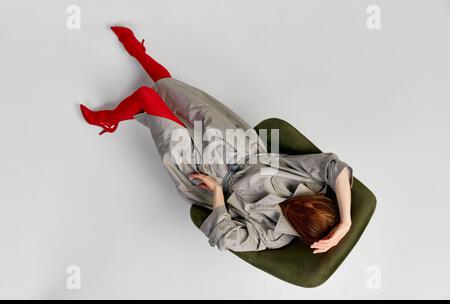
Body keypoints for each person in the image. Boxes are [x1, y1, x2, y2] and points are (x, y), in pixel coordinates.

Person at [80, 26, 353, 254]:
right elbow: (335, 167)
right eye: (312, 201)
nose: (304, 199)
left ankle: (109, 118)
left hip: (209, 178)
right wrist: (346, 223)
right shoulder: (312, 185)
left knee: (146, 97)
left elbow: (224, 237)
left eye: (300, 209)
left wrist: (218, 195)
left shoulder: (271, 236)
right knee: (178, 94)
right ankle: (139, 52)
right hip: (241, 148)